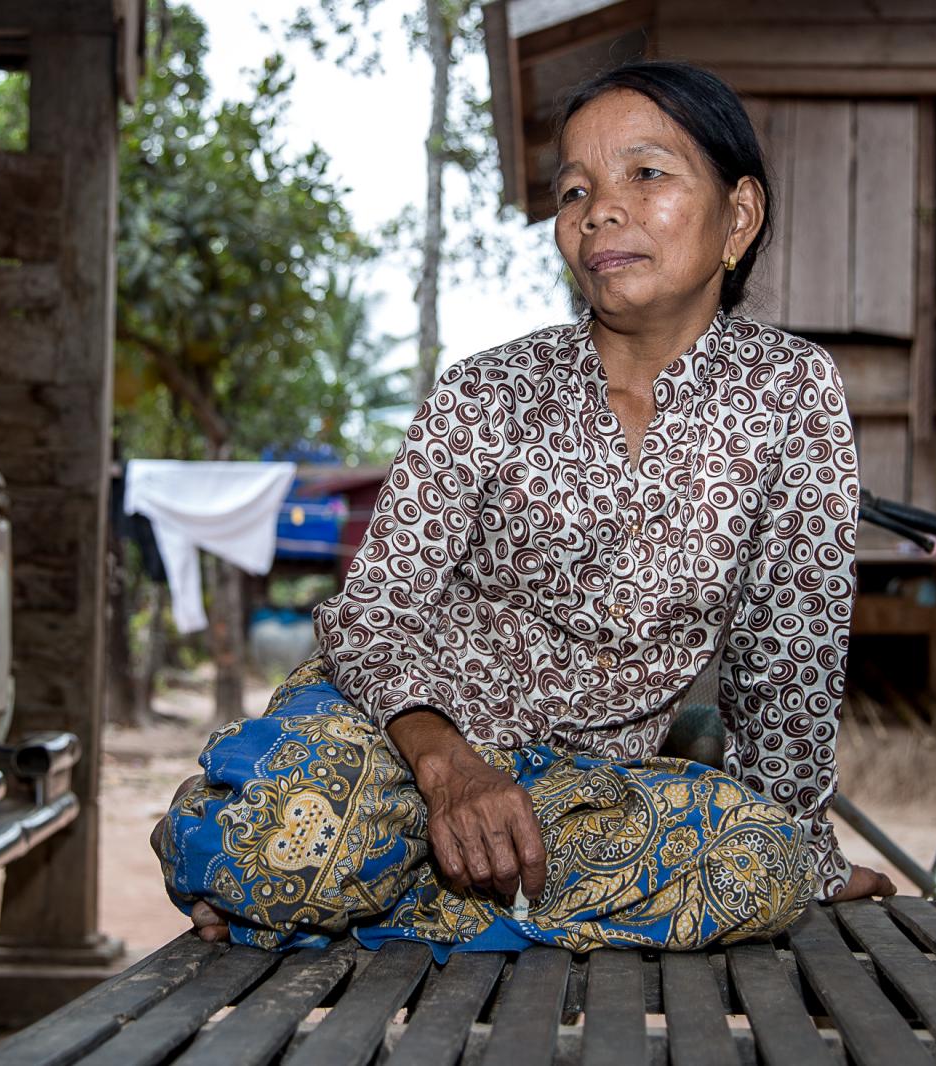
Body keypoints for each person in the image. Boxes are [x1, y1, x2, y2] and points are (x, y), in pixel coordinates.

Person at [152, 58, 896, 956]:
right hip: (404, 742)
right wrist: (448, 769)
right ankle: (374, 874)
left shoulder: (792, 394)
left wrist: (806, 852)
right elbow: (370, 620)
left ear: (739, 216)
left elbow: (790, 656)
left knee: (759, 867)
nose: (599, 210)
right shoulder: (487, 392)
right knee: (284, 843)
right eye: (575, 189)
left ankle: (382, 899)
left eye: (646, 174)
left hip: (579, 796)